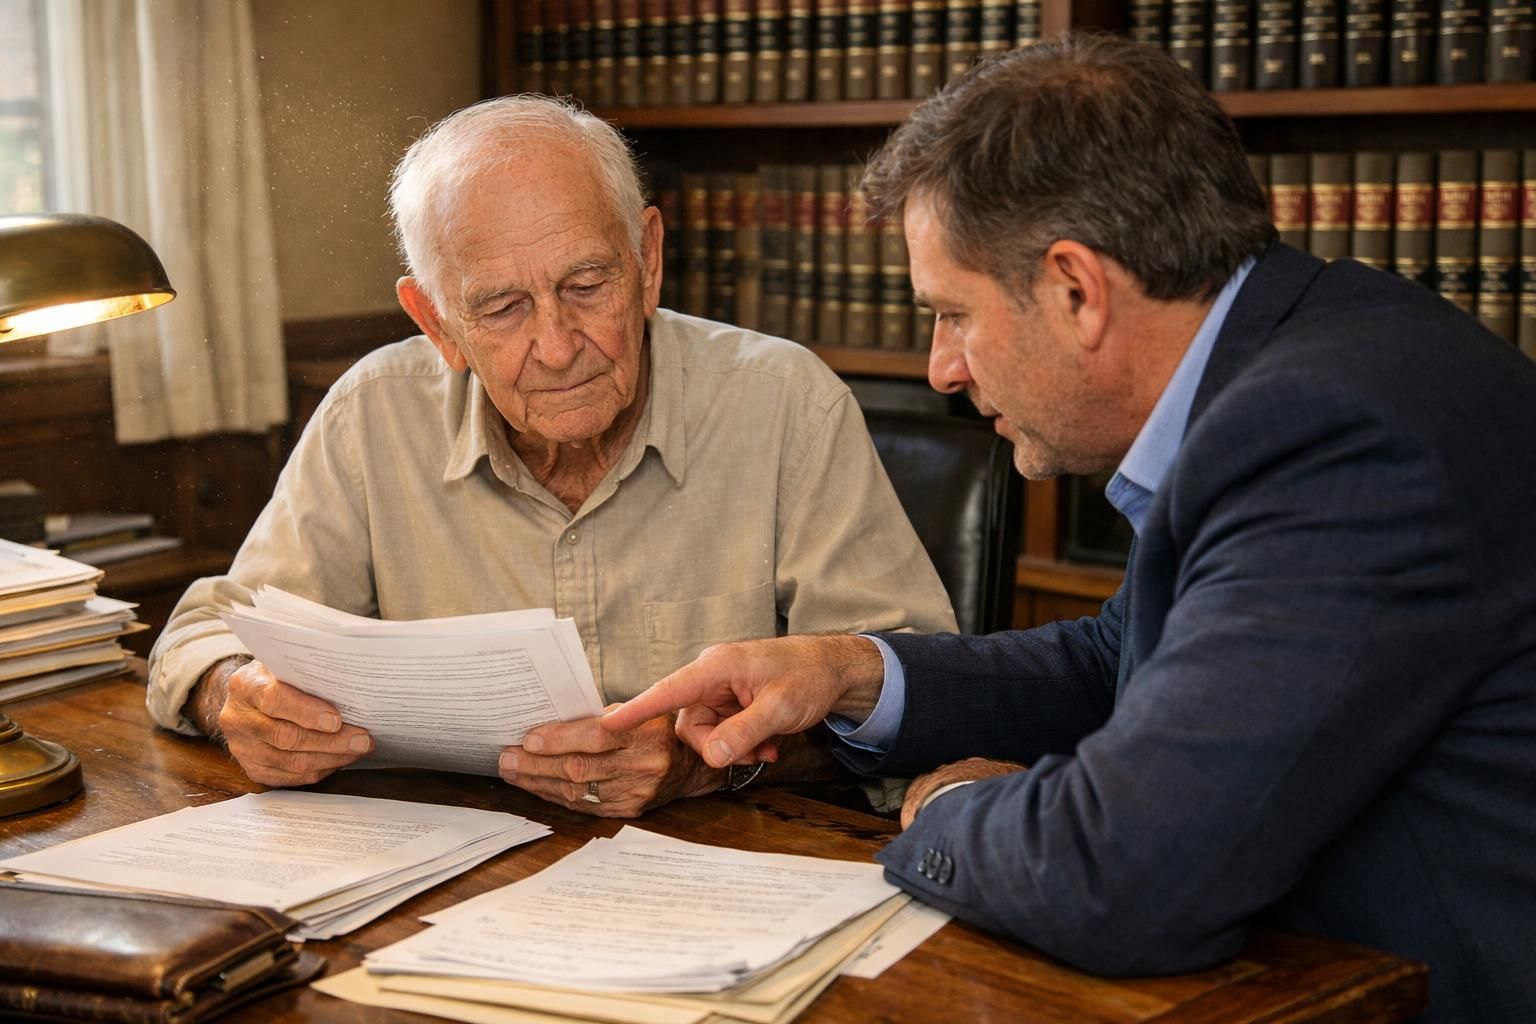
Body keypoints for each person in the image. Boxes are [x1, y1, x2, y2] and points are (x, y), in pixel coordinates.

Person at [603, 33, 1536, 1023]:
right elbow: (1120, 656)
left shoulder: (1331, 436)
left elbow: (1120, 877)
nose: (942, 371)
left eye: (952, 314)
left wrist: (951, 807)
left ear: (1077, 289)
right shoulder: (1298, 361)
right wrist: (854, 673)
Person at [146, 95, 956, 818]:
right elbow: (200, 635)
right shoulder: (373, 413)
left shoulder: (786, 404)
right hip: (444, 875)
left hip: (731, 870)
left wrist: (703, 768)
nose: (559, 348)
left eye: (586, 285)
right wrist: (236, 697)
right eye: (500, 307)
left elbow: (913, 698)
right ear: (436, 323)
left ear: (648, 261)